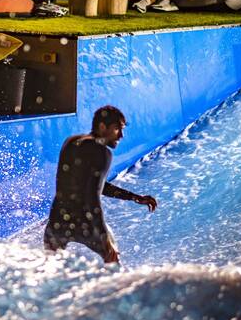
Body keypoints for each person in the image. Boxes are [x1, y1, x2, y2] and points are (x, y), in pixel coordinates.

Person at [44, 106, 157, 264]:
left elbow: (92, 185)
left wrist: (133, 197)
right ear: (102, 127)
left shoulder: (71, 142)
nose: (121, 135)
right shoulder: (102, 152)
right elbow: (92, 197)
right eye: (117, 129)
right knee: (113, 264)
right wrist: (103, 237)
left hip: (57, 221)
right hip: (84, 224)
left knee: (50, 271)